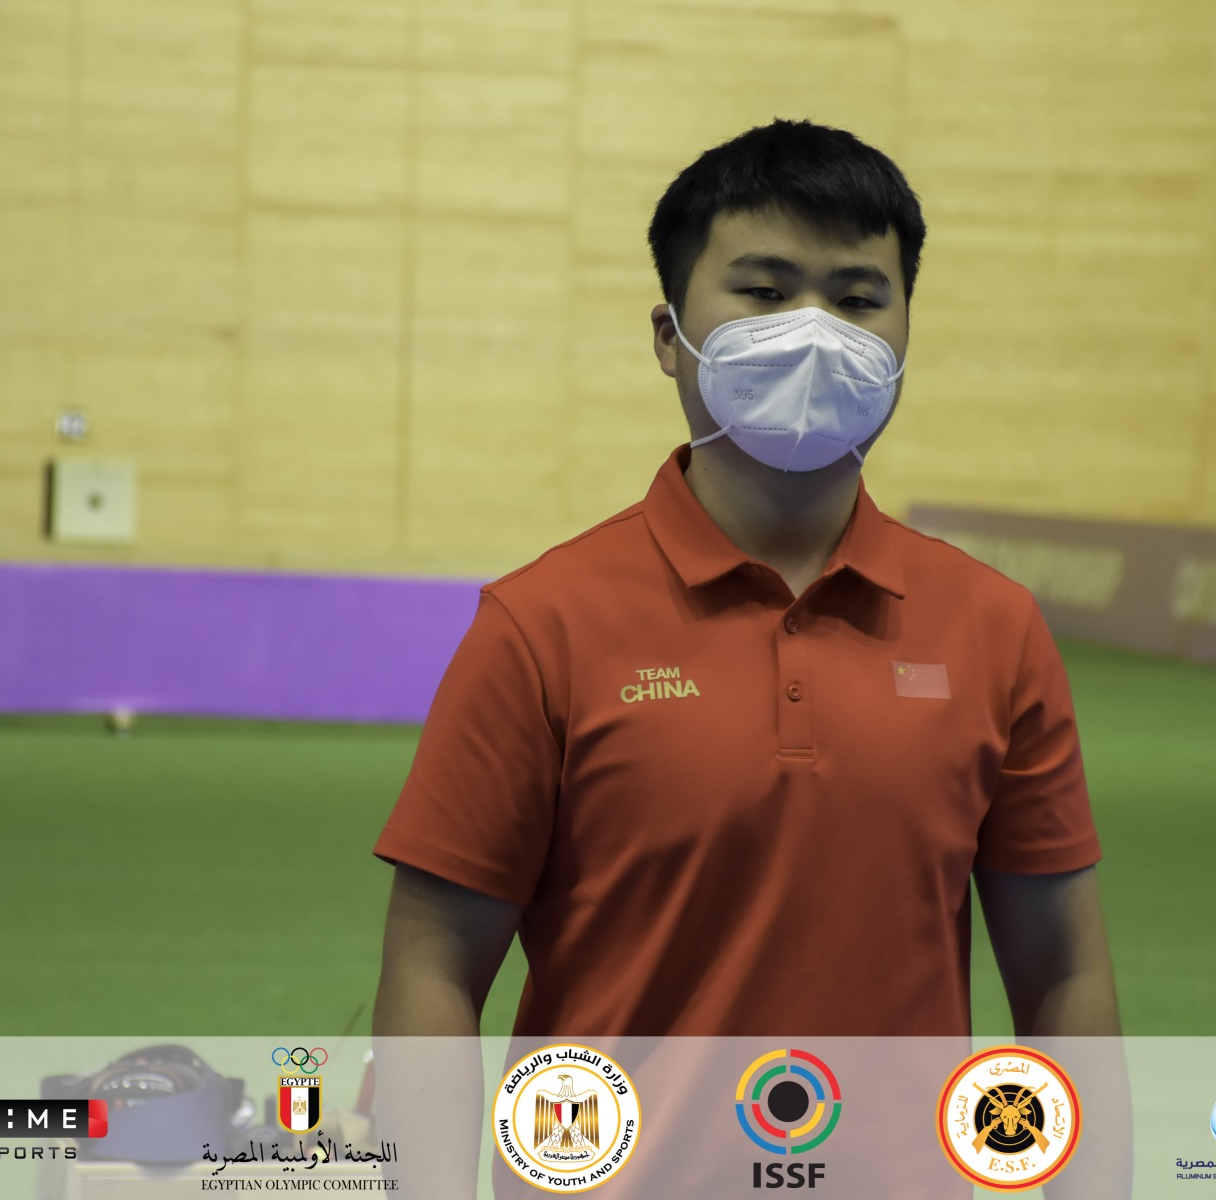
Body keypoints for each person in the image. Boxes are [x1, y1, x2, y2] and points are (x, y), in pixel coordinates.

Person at [372, 119, 1119, 1045]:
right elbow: (433, 969)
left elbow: (1065, 974)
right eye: (764, 291)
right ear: (669, 336)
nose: (814, 333)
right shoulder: (538, 626)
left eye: (857, 299)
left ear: (904, 340)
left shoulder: (995, 627)